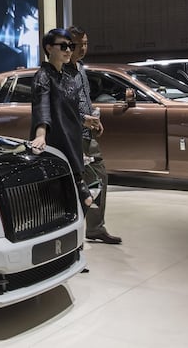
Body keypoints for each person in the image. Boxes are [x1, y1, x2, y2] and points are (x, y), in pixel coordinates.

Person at [67, 25, 122, 244]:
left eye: (85, 44)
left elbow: (84, 99)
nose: (83, 48)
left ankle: (95, 227)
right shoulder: (59, 72)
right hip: (70, 136)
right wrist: (83, 119)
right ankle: (73, 232)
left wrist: (94, 120)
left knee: (98, 178)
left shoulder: (80, 69)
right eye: (78, 44)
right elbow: (61, 107)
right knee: (75, 184)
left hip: (87, 134)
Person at [30, 28, 93, 212]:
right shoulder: (43, 76)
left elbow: (68, 108)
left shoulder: (67, 77)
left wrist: (84, 120)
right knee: (69, 199)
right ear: (49, 48)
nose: (68, 50)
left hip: (72, 142)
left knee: (75, 200)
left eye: (70, 46)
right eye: (63, 46)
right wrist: (40, 135)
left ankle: (73, 236)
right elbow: (41, 107)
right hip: (56, 142)